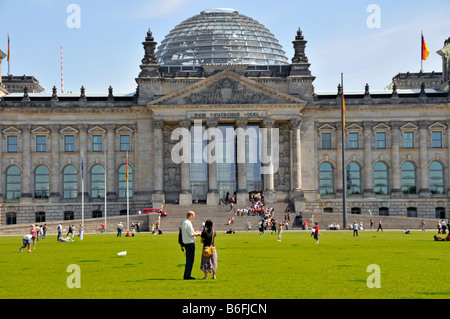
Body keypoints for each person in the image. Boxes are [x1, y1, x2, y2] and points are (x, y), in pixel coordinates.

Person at [181, 211, 201, 280]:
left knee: (188, 260)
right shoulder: (188, 223)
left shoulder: (184, 222)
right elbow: (192, 234)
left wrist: (196, 232)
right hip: (190, 244)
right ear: (191, 216)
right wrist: (199, 234)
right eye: (194, 216)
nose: (194, 217)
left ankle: (187, 274)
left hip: (186, 243)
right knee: (190, 260)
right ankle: (187, 275)